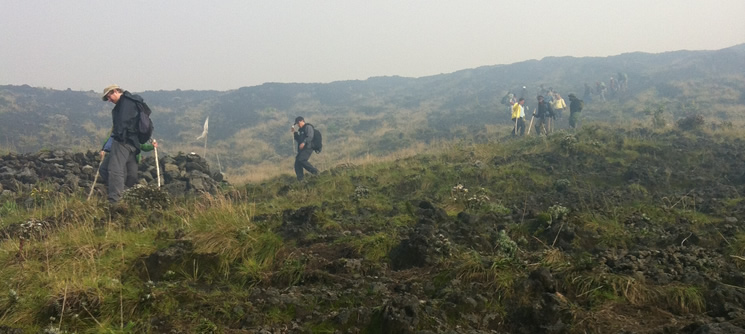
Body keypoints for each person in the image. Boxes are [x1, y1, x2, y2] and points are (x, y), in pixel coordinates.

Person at [101, 84, 146, 203]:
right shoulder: (133, 102)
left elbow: (122, 124)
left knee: (114, 170)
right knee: (105, 169)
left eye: (109, 97)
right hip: (133, 144)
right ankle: (126, 195)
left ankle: (115, 202)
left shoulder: (125, 103)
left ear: (115, 91)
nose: (109, 100)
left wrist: (119, 137)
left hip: (123, 141)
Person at [291, 116, 319, 181]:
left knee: (302, 160)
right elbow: (298, 140)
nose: (298, 125)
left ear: (302, 121)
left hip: (308, 147)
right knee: (297, 163)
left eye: (298, 123)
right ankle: (300, 179)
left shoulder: (308, 127)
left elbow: (310, 136)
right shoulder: (300, 131)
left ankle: (315, 172)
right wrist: (294, 132)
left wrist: (304, 142)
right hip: (302, 149)